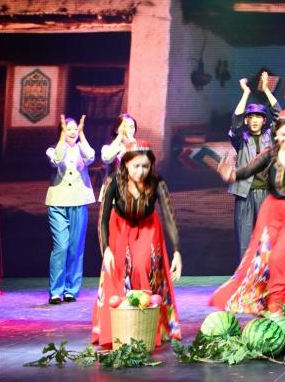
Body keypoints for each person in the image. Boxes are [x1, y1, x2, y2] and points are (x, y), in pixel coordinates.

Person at [211, 109, 285, 318]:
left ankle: (278, 307)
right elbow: (247, 170)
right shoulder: (270, 154)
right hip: (272, 213)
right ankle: (275, 307)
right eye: (283, 134)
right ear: (276, 134)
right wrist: (231, 175)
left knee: (279, 258)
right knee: (265, 261)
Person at [91, 141, 183, 347]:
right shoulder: (114, 180)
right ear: (126, 164)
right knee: (118, 272)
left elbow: (169, 216)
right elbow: (103, 218)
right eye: (136, 166)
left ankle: (147, 327)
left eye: (145, 166)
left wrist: (177, 251)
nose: (141, 172)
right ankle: (119, 329)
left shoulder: (157, 182)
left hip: (148, 227)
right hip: (120, 227)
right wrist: (106, 248)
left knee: (143, 268)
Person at [227, 72, 280, 258]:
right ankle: (244, 274)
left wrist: (266, 90)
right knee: (244, 241)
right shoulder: (241, 139)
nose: (255, 120)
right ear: (247, 120)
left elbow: (280, 116)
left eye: (259, 116)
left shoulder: (271, 138)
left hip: (266, 194)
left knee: (267, 240)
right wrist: (246, 93)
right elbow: (235, 123)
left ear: (264, 120)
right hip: (245, 194)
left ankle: (265, 273)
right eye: (251, 117)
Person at [46, 114, 95, 305]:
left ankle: (70, 290)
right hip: (57, 203)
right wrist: (62, 139)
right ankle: (56, 291)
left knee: (76, 247)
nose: (73, 132)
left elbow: (91, 156)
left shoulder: (82, 149)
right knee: (61, 246)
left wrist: (82, 135)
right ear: (61, 132)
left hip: (79, 202)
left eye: (75, 129)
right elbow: (57, 159)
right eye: (69, 129)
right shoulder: (53, 149)